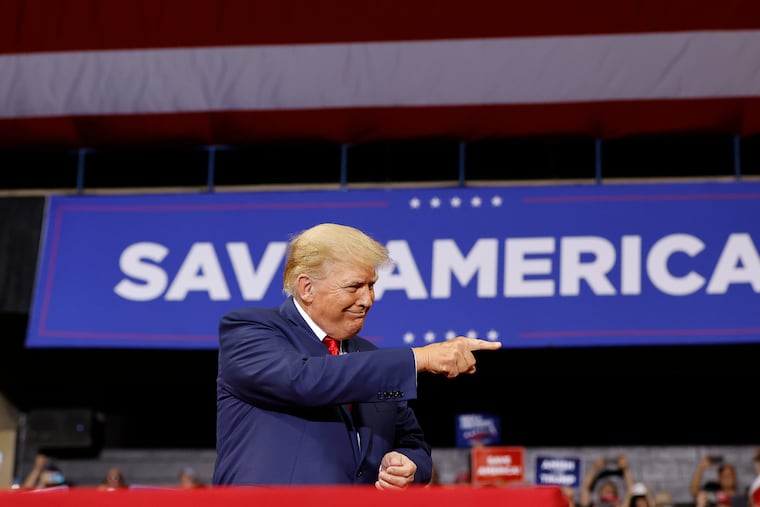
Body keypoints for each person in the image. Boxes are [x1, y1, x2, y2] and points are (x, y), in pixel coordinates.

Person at [212, 223, 502, 489]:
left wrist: (409, 463)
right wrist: (419, 358)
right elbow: (304, 380)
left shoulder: (369, 356)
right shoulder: (248, 330)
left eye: (371, 285)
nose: (368, 300)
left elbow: (414, 442)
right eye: (354, 287)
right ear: (307, 287)